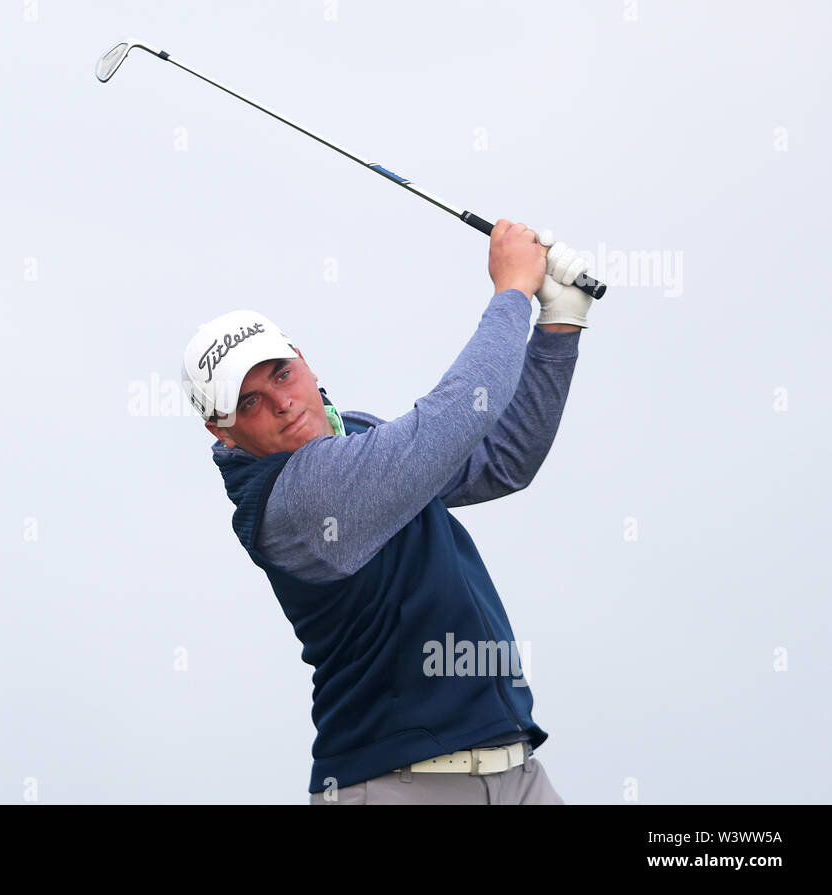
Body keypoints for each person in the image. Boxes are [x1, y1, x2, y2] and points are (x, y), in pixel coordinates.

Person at [181, 220, 593, 804]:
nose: (281, 402)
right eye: (249, 402)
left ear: (303, 359)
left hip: (516, 770)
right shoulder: (296, 496)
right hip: (396, 785)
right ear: (221, 432)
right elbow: (452, 421)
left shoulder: (357, 439)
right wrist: (512, 294)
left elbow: (503, 459)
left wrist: (560, 324)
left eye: (281, 373)